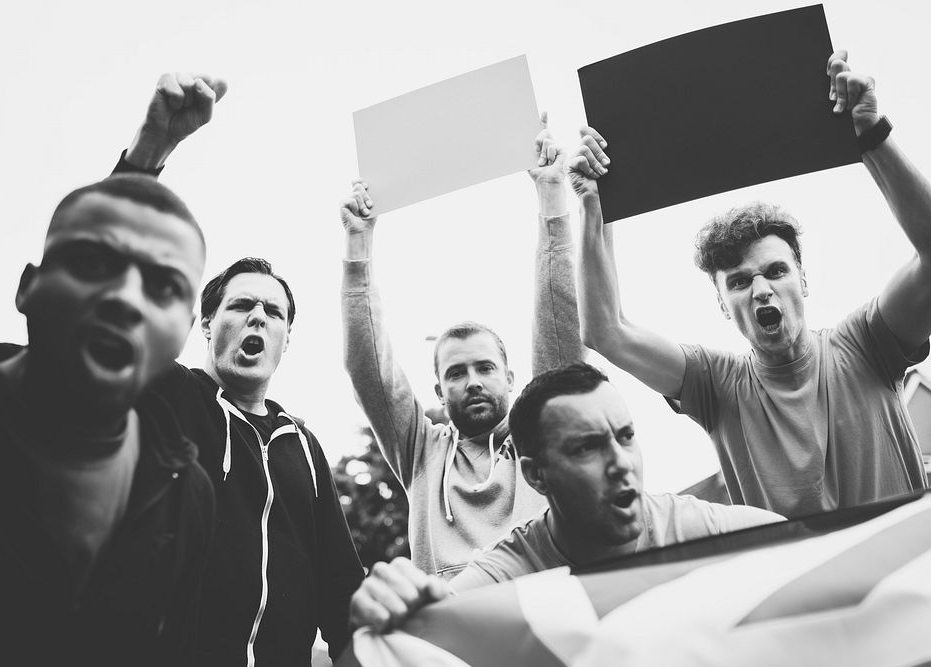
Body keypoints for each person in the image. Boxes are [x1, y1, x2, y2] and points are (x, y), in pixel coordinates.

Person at [570, 49, 931, 519]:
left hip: (897, 584)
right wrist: (595, 207)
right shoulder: (718, 385)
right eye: (739, 282)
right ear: (723, 304)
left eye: (776, 271)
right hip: (796, 591)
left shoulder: (866, 342)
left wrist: (872, 137)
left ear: (803, 278)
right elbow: (605, 331)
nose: (761, 290)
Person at [116, 73, 364, 666]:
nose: (257, 318)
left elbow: (343, 601)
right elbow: (104, 296)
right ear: (206, 326)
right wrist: (150, 152)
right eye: (240, 306)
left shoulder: (303, 447)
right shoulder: (166, 396)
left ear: (286, 339)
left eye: (272, 312)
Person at [0, 174, 215, 665]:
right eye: (91, 263)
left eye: (164, 286)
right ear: (27, 287)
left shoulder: (187, 493)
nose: (126, 299)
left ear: (187, 331)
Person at [348, 363, 782, 631]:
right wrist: (397, 605)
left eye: (626, 436)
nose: (621, 463)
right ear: (537, 476)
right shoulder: (513, 569)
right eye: (586, 447)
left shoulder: (692, 524)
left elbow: (813, 544)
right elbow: (441, 615)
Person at [339, 116, 586, 579]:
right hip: (458, 643)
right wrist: (358, 241)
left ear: (511, 379)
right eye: (455, 373)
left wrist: (552, 197)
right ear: (438, 391)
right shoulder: (420, 452)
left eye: (485, 367)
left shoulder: (542, 432)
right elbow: (367, 367)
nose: (471, 381)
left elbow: (560, 320)